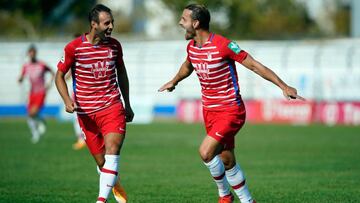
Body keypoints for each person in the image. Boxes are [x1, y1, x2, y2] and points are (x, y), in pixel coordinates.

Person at [159, 4, 305, 203]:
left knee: (206, 152)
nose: (180, 23)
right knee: (226, 160)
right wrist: (174, 81)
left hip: (230, 110)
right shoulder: (192, 47)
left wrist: (283, 85)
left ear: (195, 23)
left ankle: (225, 196)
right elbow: (188, 65)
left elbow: (253, 65)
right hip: (209, 111)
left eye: (183, 19)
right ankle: (248, 201)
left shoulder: (223, 45)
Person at [55, 4, 134, 203]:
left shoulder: (115, 46)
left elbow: (122, 74)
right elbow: (59, 76)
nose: (111, 27)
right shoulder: (74, 48)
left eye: (112, 22)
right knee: (102, 162)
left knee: (112, 150)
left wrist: (128, 104)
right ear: (93, 24)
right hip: (86, 114)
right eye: (107, 23)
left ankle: (101, 200)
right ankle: (113, 182)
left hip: (112, 107)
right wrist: (67, 100)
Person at [18, 44, 55, 143]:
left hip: (41, 92)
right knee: (29, 115)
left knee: (32, 113)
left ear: (35, 54)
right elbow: (21, 77)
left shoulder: (41, 65)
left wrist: (48, 84)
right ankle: (36, 132)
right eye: (30, 53)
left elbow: (53, 72)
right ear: (28, 54)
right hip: (31, 93)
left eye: (33, 53)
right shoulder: (26, 66)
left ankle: (39, 124)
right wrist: (20, 79)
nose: (32, 55)